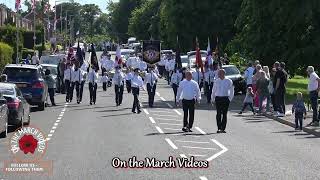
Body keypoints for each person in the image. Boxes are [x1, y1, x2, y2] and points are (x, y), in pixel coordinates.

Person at [211, 69, 234, 133]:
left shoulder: (228, 81)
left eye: (220, 73)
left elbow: (232, 90)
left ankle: (223, 128)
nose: (218, 74)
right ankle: (219, 127)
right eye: (218, 73)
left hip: (225, 98)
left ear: (223, 74)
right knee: (218, 113)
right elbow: (213, 90)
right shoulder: (216, 81)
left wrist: (230, 99)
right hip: (218, 98)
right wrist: (212, 99)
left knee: (224, 113)